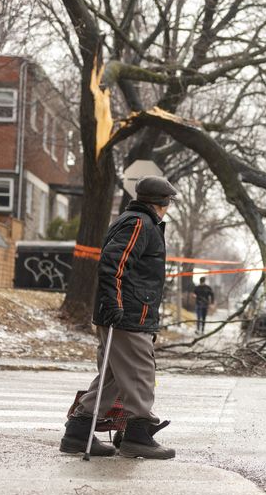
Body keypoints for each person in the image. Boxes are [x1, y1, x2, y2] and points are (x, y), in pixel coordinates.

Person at [60, 175, 178, 460]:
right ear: (162, 202)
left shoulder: (135, 221)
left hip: (125, 310)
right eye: (169, 201)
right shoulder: (139, 223)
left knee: (113, 377)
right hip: (128, 314)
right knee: (139, 374)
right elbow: (113, 263)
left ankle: (78, 432)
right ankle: (138, 436)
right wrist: (115, 303)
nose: (169, 206)